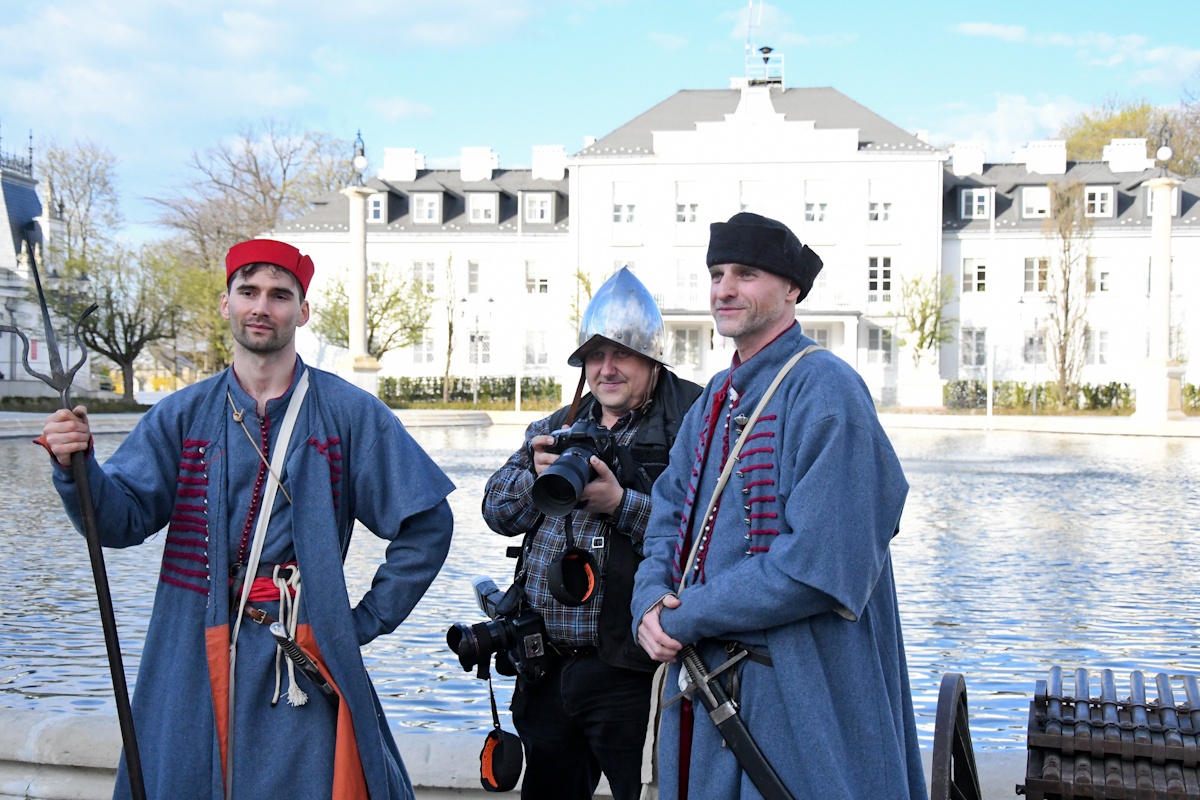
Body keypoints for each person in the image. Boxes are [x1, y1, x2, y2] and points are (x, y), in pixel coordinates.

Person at [38, 239, 455, 800]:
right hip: (191, 640)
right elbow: (122, 519)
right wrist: (78, 467)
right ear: (226, 304)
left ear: (303, 312)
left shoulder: (349, 413)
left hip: (300, 649)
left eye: (280, 295)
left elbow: (427, 525)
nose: (262, 306)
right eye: (248, 291)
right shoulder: (182, 414)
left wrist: (360, 622)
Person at [632, 213, 926, 800]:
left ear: (792, 289)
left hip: (801, 691)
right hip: (709, 690)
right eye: (717, 274)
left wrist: (683, 616)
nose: (724, 289)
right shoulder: (717, 397)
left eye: (746, 274)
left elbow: (820, 564)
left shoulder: (827, 389)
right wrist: (648, 602)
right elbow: (668, 515)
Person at [482, 267, 702, 800]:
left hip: (633, 673)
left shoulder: (691, 426)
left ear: (652, 359)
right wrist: (535, 480)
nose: (607, 368)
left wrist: (620, 504)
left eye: (621, 354)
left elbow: (705, 535)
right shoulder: (556, 427)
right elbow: (496, 512)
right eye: (595, 356)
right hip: (546, 667)